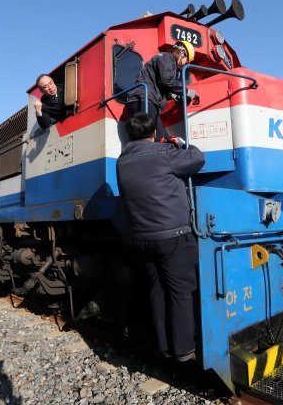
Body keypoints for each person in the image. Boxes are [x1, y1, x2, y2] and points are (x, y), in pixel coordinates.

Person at [116, 112, 205, 362]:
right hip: (173, 236)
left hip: (143, 239)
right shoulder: (164, 154)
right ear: (154, 134)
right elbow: (197, 159)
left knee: (156, 290)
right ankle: (184, 349)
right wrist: (182, 144)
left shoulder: (122, 161)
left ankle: (164, 346)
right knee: (180, 291)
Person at [125, 41, 198, 141]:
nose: (185, 64)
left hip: (142, 100)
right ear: (182, 53)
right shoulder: (166, 58)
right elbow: (167, 80)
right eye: (187, 60)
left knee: (165, 138)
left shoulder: (166, 60)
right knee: (160, 139)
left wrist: (172, 95)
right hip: (144, 100)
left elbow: (160, 83)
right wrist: (186, 92)